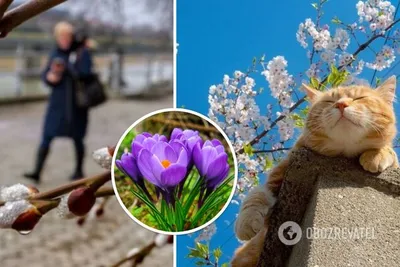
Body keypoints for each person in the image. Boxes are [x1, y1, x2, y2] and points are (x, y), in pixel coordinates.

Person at [24, 21, 93, 183]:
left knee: (78, 137)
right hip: (57, 103)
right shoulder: (55, 54)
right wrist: (50, 77)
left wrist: (67, 66)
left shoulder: (81, 52)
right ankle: (37, 171)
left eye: (67, 35)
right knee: (47, 135)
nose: (64, 39)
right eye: (61, 36)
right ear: (57, 37)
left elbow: (85, 73)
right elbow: (46, 76)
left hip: (76, 104)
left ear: (72, 36)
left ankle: (78, 171)